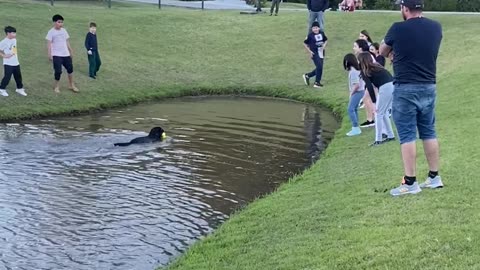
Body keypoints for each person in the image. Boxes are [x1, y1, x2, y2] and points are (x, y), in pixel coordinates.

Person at [380, 0, 443, 196]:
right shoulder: (436, 27)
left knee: (407, 135)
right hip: (429, 85)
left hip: (406, 87)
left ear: (405, 9)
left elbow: (382, 50)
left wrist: (393, 53)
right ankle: (434, 177)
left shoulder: (398, 28)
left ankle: (410, 182)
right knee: (429, 131)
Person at [357, 52, 395, 145]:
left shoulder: (365, 70)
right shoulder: (376, 66)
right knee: (384, 112)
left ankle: (378, 140)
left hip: (385, 87)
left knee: (378, 114)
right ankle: (390, 136)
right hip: (392, 85)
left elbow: (369, 87)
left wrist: (373, 102)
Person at [46, 14, 79, 93]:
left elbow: (67, 41)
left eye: (62, 22)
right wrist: (49, 54)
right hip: (56, 54)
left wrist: (70, 51)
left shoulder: (64, 31)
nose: (61, 24)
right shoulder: (51, 32)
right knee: (58, 71)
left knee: (70, 69)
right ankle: (56, 86)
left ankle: (71, 85)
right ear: (54, 22)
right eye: (59, 22)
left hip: (66, 54)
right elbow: (49, 43)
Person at [353, 39, 376, 127]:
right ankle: (371, 119)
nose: (353, 48)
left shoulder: (364, 57)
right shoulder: (365, 56)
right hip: (372, 81)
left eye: (355, 46)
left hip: (374, 81)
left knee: (367, 99)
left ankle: (371, 120)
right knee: (367, 99)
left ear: (361, 48)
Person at [0, 26, 27, 97]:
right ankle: (2, 89)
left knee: (18, 76)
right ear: (8, 33)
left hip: (16, 62)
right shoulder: (3, 42)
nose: (15, 34)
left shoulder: (14, 40)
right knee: (7, 77)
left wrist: (13, 53)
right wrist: (4, 56)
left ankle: (19, 88)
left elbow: (14, 48)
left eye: (15, 33)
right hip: (8, 63)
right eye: (13, 33)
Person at [343, 53, 365, 136]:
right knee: (354, 109)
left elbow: (356, 85)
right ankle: (356, 127)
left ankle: (355, 128)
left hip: (357, 92)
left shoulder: (353, 72)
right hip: (361, 91)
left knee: (350, 109)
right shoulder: (358, 70)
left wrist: (351, 93)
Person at [303, 21, 328, 88]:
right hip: (314, 52)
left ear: (319, 28)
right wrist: (310, 52)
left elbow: (326, 40)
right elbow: (305, 43)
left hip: (321, 52)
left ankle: (308, 75)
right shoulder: (310, 36)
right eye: (314, 28)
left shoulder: (322, 33)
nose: (315, 29)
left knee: (320, 68)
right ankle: (317, 82)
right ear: (312, 29)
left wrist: (324, 46)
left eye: (316, 28)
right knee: (319, 66)